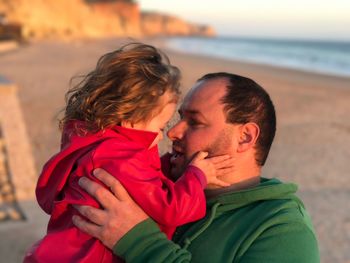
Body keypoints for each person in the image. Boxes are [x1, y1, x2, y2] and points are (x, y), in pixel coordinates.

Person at [72, 72, 320, 262]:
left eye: (195, 122)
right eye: (180, 118)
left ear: (245, 137)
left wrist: (138, 241)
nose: (173, 132)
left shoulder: (283, 229)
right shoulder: (155, 186)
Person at [24, 44, 234, 263]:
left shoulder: (96, 144)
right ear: (129, 120)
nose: (164, 135)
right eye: (159, 128)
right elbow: (171, 209)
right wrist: (196, 175)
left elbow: (139, 179)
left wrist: (168, 163)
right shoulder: (121, 157)